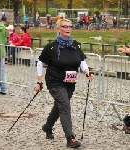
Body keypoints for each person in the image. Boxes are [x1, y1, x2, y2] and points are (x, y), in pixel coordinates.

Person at [34, 18, 93, 148]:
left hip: (70, 81)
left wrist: (87, 72)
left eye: (70, 27)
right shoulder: (52, 46)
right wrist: (39, 81)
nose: (68, 29)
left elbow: (81, 61)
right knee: (65, 107)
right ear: (59, 29)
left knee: (59, 106)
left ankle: (47, 127)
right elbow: (40, 62)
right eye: (65, 26)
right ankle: (70, 138)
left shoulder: (75, 45)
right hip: (54, 81)